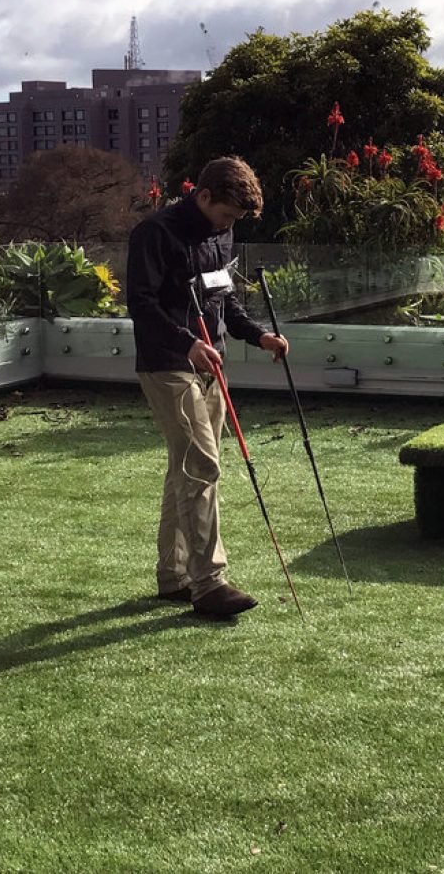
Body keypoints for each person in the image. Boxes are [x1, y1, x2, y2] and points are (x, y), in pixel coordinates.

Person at [126, 156, 289, 617]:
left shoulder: (222, 234)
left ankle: (173, 576)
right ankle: (209, 582)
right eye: (225, 216)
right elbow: (139, 305)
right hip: (167, 363)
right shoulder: (153, 234)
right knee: (202, 464)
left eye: (234, 221)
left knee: (186, 467)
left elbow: (224, 298)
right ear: (202, 196)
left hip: (209, 361)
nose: (228, 225)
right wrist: (188, 342)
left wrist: (259, 336)